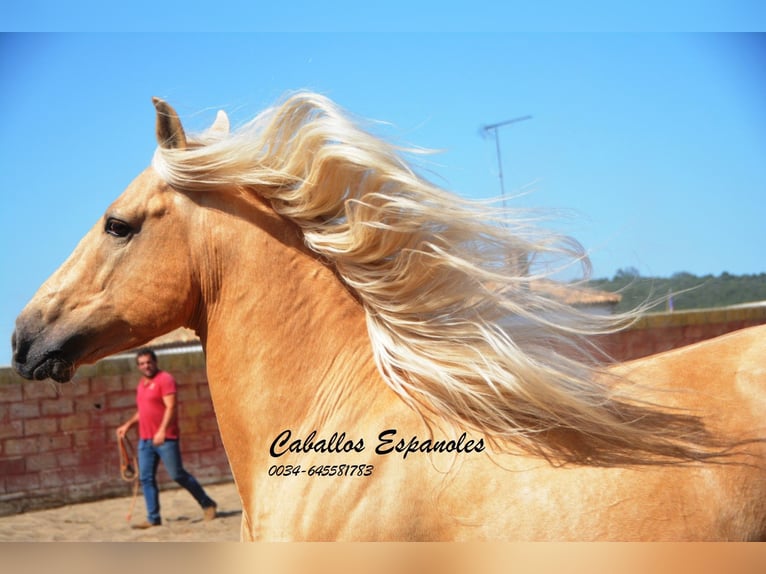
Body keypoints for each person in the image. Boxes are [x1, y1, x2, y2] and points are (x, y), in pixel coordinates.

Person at [116, 348, 217, 528]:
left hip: (166, 439)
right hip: (145, 440)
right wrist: (128, 425)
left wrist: (162, 431)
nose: (146, 366)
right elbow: (144, 410)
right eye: (142, 364)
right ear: (138, 366)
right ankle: (153, 518)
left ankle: (207, 503)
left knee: (177, 474)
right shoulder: (142, 384)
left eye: (148, 362)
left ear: (155, 362)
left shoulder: (165, 380)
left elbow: (171, 407)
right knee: (146, 478)